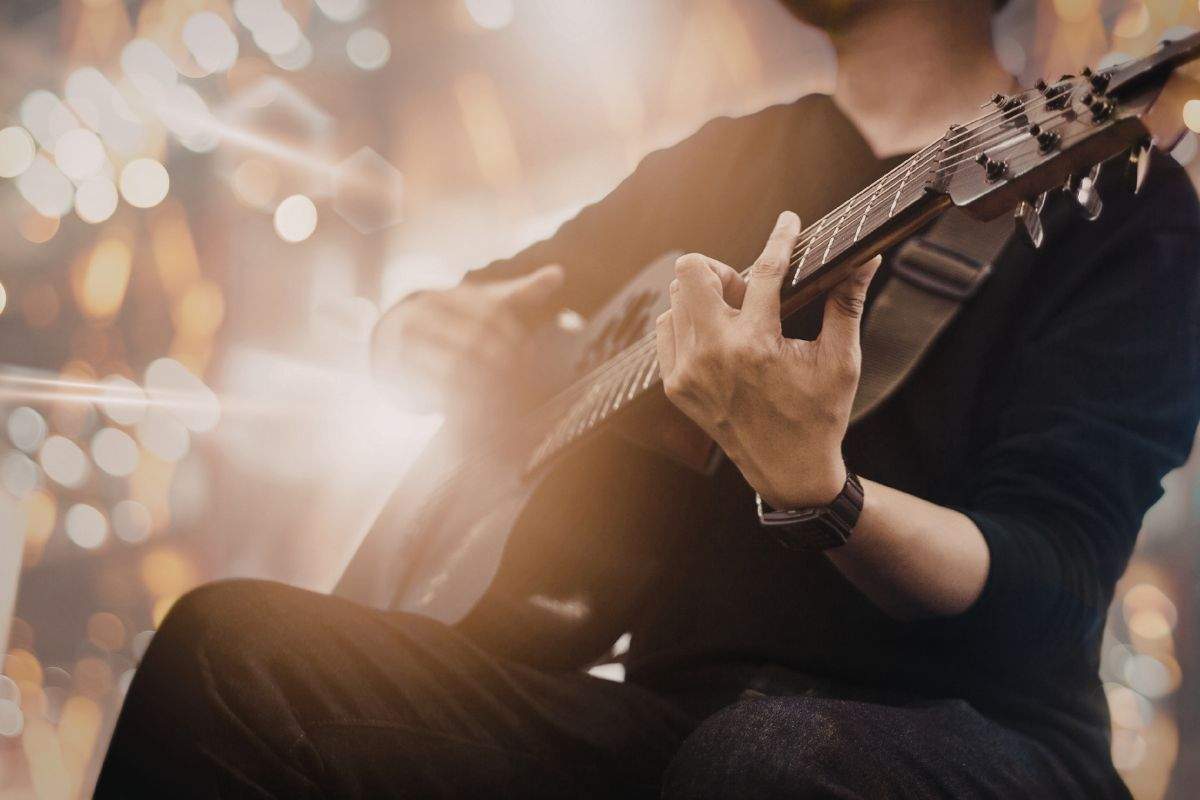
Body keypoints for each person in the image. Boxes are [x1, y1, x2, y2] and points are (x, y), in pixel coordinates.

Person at [98, 1, 1200, 797]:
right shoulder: (720, 160)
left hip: (979, 738)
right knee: (228, 649)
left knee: (766, 761)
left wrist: (824, 493)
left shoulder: (1121, 202)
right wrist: (417, 331)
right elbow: (491, 303)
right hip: (675, 717)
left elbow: (1049, 581)